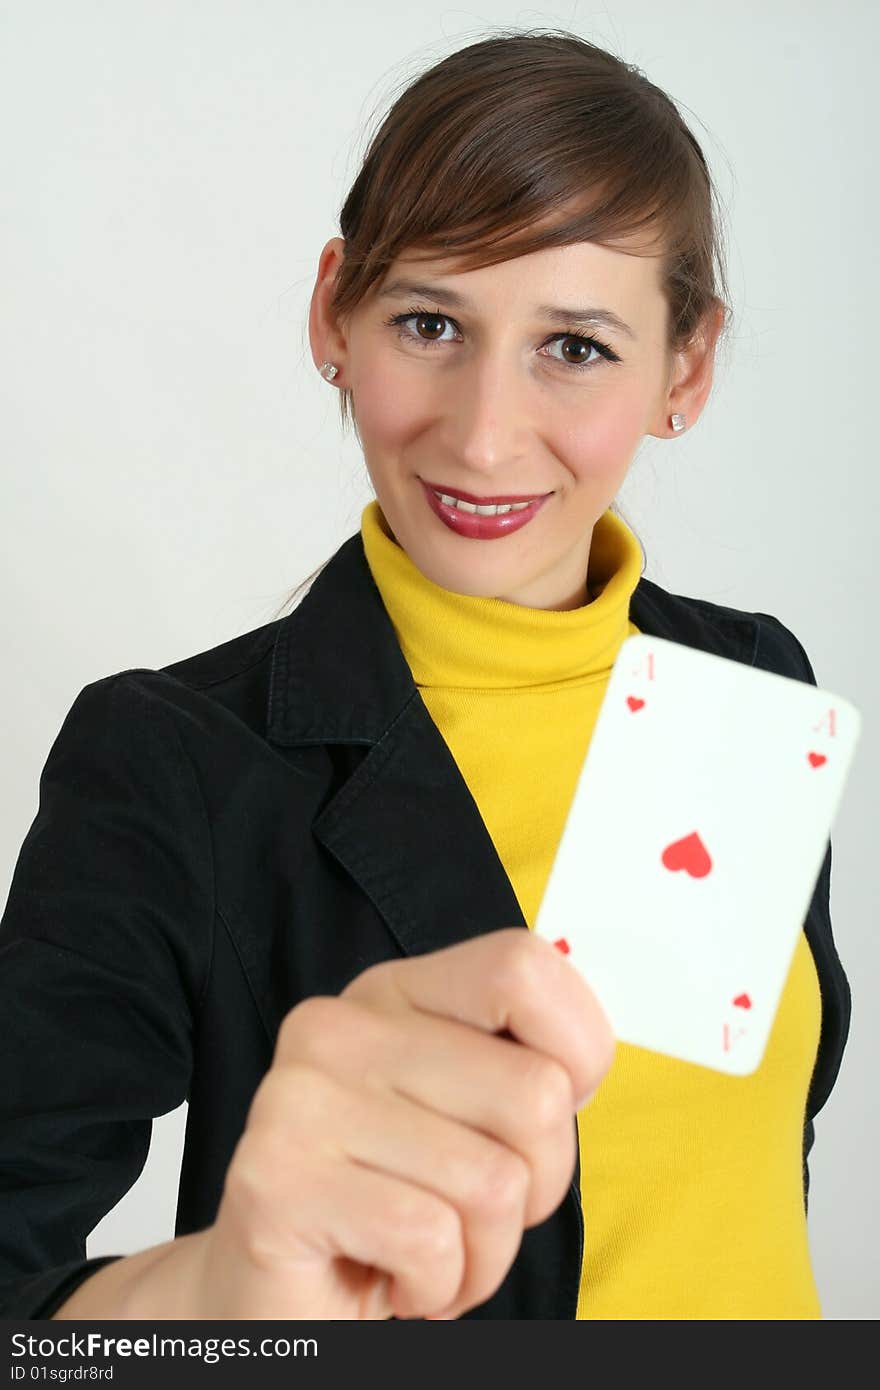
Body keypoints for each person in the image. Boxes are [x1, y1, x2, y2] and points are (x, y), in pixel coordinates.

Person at [0, 29, 850, 1322]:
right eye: (429, 321)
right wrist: (225, 1287)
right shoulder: (171, 761)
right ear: (334, 311)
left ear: (686, 366)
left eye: (574, 346)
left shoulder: (753, 683)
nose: (483, 433)